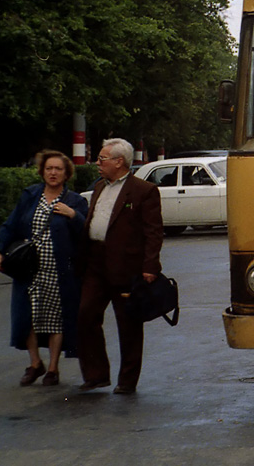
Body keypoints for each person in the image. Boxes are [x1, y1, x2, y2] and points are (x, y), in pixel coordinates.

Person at [0, 150, 88, 387]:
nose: (53, 173)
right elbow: (11, 224)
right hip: (28, 268)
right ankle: (35, 363)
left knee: (55, 318)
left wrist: (73, 214)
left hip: (59, 271)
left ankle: (53, 367)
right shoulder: (31, 195)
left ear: (66, 174)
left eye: (58, 169)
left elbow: (86, 232)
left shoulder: (76, 201)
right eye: (49, 169)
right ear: (42, 171)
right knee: (27, 316)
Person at [76, 138, 164, 394]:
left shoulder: (143, 191)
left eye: (102, 158)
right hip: (95, 263)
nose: (97, 163)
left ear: (119, 161)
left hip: (127, 267)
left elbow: (153, 232)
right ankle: (96, 374)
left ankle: (127, 381)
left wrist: (150, 266)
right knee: (85, 315)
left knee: (128, 325)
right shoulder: (99, 187)